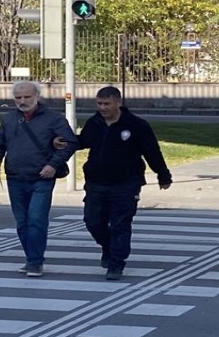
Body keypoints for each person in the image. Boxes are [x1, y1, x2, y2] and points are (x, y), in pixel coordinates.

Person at [70, 86, 172, 281]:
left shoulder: (136, 125)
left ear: (118, 102)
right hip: (96, 182)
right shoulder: (95, 122)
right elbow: (84, 141)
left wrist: (163, 175)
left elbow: (152, 151)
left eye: (106, 104)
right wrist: (65, 142)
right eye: (99, 103)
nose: (102, 108)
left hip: (126, 182)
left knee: (120, 224)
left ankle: (116, 263)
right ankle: (108, 248)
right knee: (93, 221)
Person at [0, 80, 78, 277]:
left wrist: (52, 165)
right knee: (22, 222)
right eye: (18, 97)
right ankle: (31, 258)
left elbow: (71, 142)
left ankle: (35, 261)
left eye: (27, 97)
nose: (22, 101)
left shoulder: (54, 119)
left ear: (37, 96)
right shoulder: (9, 119)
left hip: (41, 178)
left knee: (37, 219)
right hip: (15, 177)